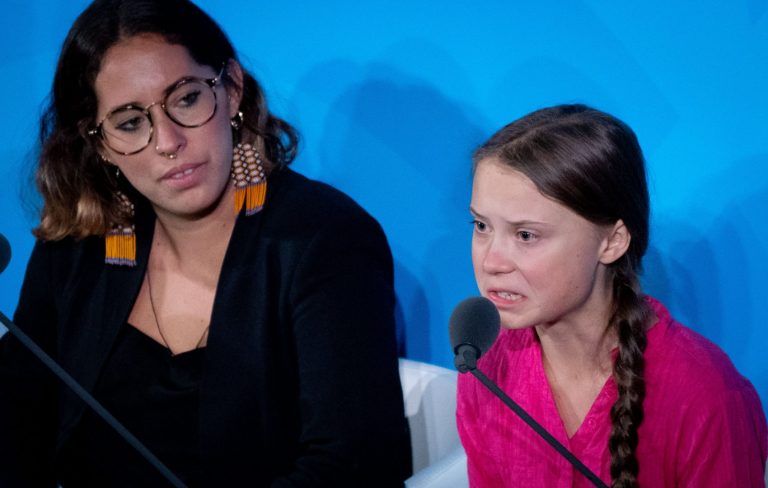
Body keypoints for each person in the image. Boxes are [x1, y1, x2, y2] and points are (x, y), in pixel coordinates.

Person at [0, 0, 411, 486]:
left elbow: (352, 464)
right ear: (100, 143)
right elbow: (14, 423)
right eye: (130, 122)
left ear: (232, 88)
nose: (167, 140)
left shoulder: (324, 241)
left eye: (187, 98)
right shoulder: (79, 245)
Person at [456, 104, 767, 487]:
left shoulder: (707, 397)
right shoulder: (486, 364)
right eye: (482, 226)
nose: (491, 261)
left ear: (612, 240)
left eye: (525, 235)